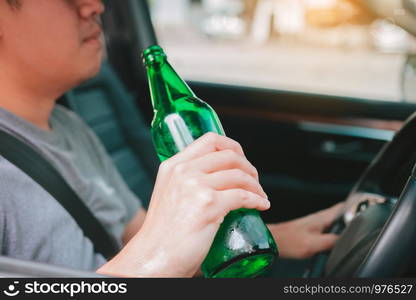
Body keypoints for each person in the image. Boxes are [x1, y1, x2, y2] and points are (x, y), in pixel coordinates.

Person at [0, 0, 343, 277]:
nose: (95, 6)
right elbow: (153, 251)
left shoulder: (70, 127)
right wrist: (156, 259)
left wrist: (277, 238)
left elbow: (137, 235)